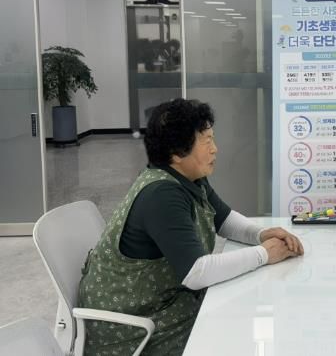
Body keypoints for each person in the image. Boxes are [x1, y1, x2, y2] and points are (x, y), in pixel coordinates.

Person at [79, 98, 303, 355]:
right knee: (233, 331)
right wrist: (264, 254)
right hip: (132, 326)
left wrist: (261, 234)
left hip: (164, 302)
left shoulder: (189, 177)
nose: (215, 149)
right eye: (206, 142)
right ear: (177, 153)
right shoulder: (162, 194)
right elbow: (196, 272)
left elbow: (224, 219)